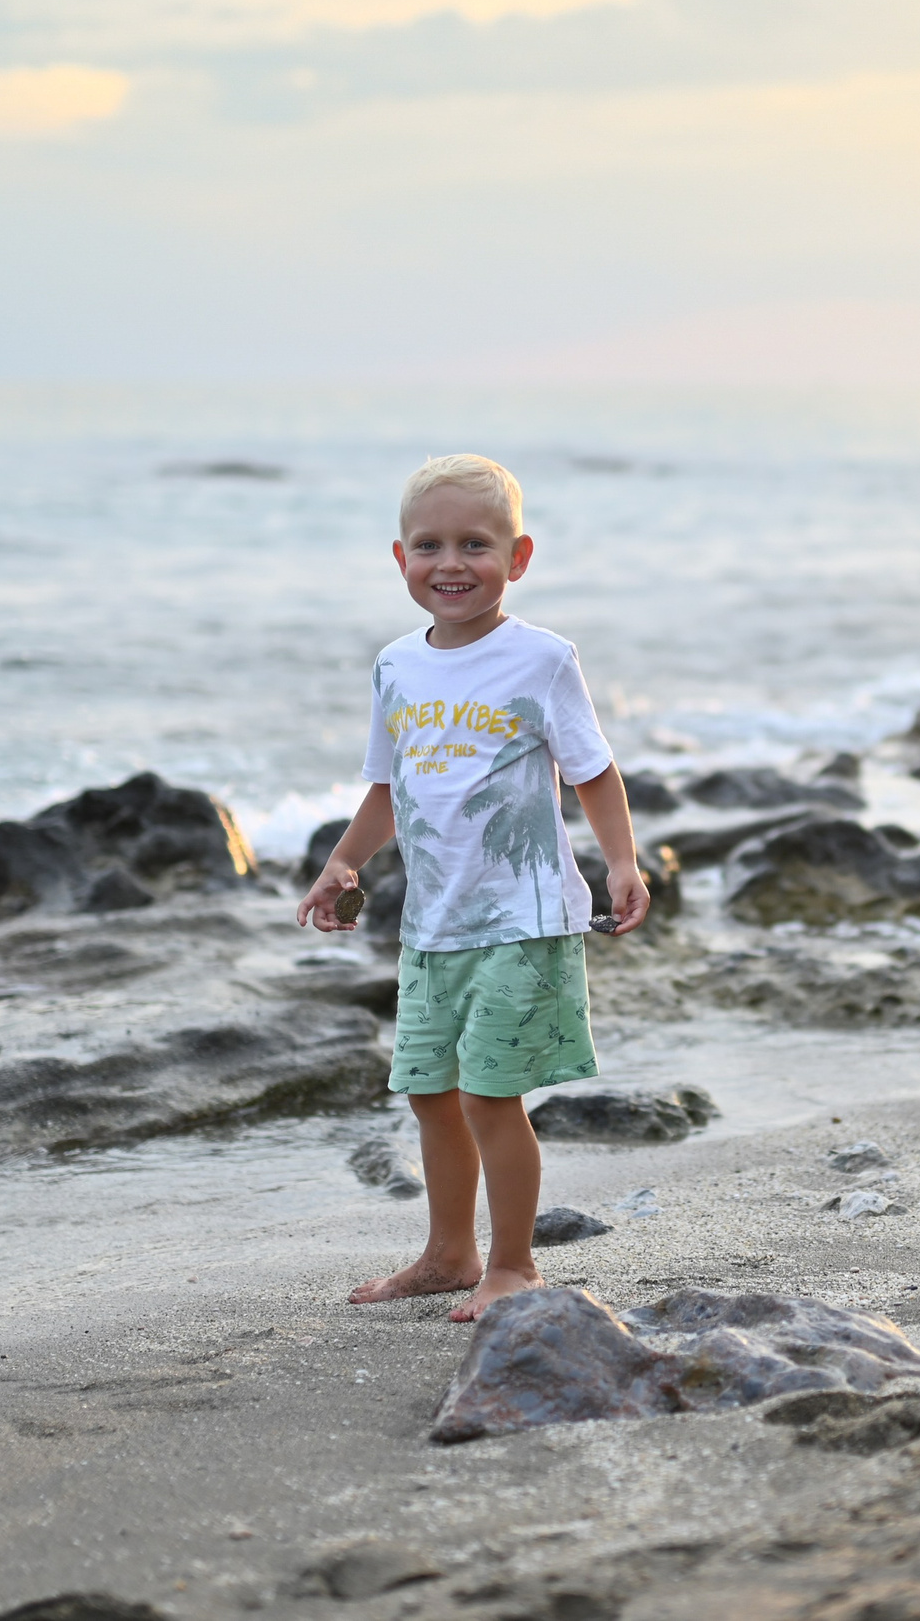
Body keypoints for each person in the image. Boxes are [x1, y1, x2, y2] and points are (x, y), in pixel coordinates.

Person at [296, 453, 650, 1323]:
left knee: (494, 1092)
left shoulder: (540, 659)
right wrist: (343, 863)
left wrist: (623, 862)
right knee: (430, 1090)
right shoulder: (395, 667)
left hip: (524, 920)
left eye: (475, 544)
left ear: (518, 558)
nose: (450, 563)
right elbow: (387, 789)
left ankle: (514, 1264)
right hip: (434, 922)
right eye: (430, 544)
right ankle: (449, 1254)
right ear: (399, 557)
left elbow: (593, 771)